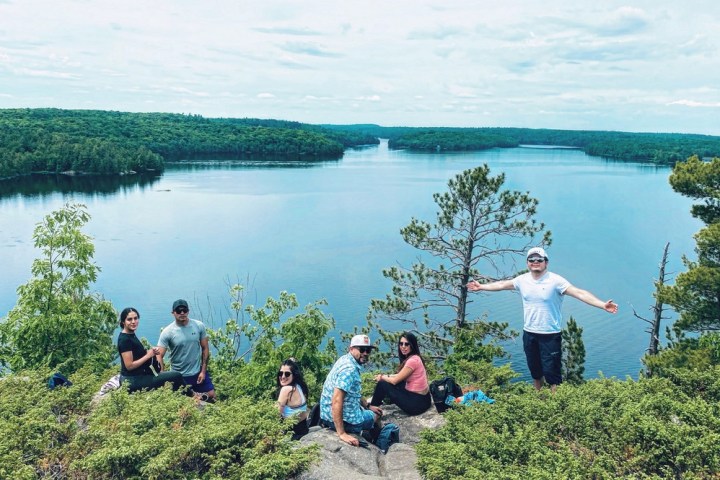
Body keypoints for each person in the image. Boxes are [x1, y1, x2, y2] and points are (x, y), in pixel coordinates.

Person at [467, 247, 618, 392]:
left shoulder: (556, 281)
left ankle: (555, 407)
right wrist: (481, 287)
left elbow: (579, 293)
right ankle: (539, 404)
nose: (535, 262)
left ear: (546, 262)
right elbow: (501, 284)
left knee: (553, 376)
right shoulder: (522, 280)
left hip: (550, 335)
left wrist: (602, 305)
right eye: (531, 259)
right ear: (527, 263)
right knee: (536, 373)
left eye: (539, 259)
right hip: (529, 333)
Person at [319, 334, 383, 446]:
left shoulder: (345, 359)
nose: (365, 353)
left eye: (368, 350)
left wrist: (367, 406)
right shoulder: (349, 370)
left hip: (326, 416)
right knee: (376, 415)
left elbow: (354, 393)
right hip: (345, 421)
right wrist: (342, 433)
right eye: (362, 349)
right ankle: (379, 444)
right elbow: (337, 400)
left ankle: (367, 436)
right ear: (351, 349)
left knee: (372, 410)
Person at [157, 299, 216, 401]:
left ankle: (196, 397)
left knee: (212, 394)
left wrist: (203, 371)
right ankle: (194, 398)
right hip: (179, 375)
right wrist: (162, 375)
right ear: (173, 313)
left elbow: (205, 348)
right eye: (178, 311)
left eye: (184, 310)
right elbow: (159, 355)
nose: (182, 313)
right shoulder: (168, 332)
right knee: (181, 401)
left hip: (197, 372)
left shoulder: (198, 326)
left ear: (188, 311)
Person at [117, 307, 185, 393]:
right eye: (129, 319)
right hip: (132, 381)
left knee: (170, 376)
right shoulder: (125, 340)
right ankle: (193, 396)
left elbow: (137, 354)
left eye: (135, 318)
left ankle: (179, 396)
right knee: (176, 375)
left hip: (137, 377)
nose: (133, 322)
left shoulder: (130, 335)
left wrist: (150, 352)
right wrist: (148, 355)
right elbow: (129, 366)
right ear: (123, 322)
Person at [370, 332, 431, 415]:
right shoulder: (416, 357)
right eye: (401, 344)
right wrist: (386, 376)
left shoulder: (412, 361)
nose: (403, 346)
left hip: (417, 405)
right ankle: (385, 401)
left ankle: (373, 407)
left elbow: (395, 380)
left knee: (382, 384)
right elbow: (401, 376)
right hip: (425, 400)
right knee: (395, 381)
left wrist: (382, 377)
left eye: (406, 344)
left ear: (412, 345)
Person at [276, 358, 310, 440]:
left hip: (292, 435)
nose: (283, 376)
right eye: (281, 373)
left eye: (287, 374)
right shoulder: (298, 386)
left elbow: (275, 415)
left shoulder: (286, 390)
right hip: (303, 429)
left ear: (294, 375)